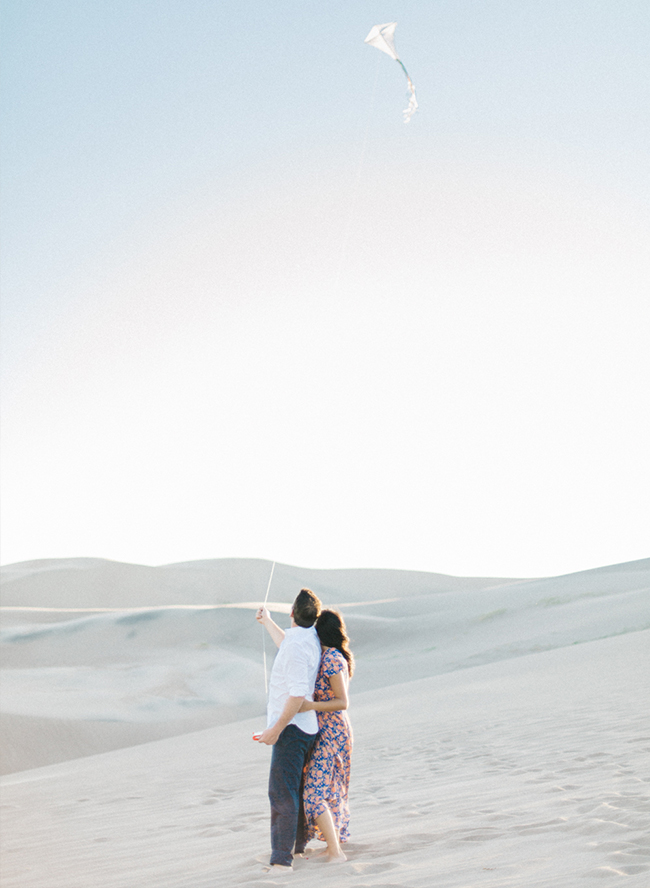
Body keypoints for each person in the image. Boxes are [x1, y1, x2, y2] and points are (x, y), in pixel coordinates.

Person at [255, 589, 322, 872]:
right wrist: (267, 621)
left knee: (281, 793)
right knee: (293, 789)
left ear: (292, 613)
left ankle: (282, 861)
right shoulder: (308, 638)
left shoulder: (296, 646)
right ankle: (296, 847)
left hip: (292, 728)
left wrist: (274, 730)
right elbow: (287, 644)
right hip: (305, 728)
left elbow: (296, 696)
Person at [298, 609, 354, 863]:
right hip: (326, 731)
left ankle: (336, 852)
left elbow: (343, 702)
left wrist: (310, 707)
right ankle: (333, 846)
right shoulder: (328, 656)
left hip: (333, 733)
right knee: (327, 789)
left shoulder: (332, 658)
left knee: (314, 793)